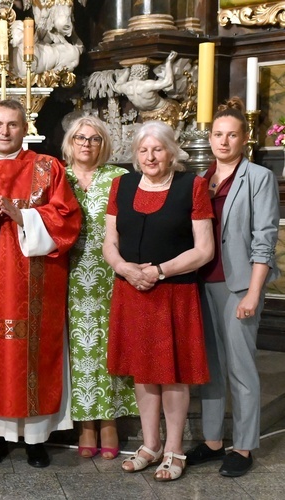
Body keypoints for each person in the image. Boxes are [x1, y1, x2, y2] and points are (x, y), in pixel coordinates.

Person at [0, 99, 82, 468]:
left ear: (25, 129)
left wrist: (23, 216)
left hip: (37, 284)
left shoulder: (47, 167)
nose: (5, 132)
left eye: (12, 125)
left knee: (34, 355)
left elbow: (66, 218)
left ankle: (36, 439)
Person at [104, 121, 214, 482]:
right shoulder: (122, 185)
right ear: (136, 155)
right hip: (131, 290)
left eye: (158, 149)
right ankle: (150, 446)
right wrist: (123, 268)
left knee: (173, 374)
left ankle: (174, 449)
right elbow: (110, 241)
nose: (150, 157)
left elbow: (204, 249)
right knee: (144, 371)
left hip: (173, 294)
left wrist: (160, 271)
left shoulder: (192, 186)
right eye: (143, 150)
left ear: (172, 152)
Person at [185, 98, 280, 477]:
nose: (223, 142)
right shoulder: (198, 180)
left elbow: (265, 239)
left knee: (241, 368)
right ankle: (212, 441)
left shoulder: (258, 178)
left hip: (239, 284)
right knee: (208, 366)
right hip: (200, 283)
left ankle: (242, 447)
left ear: (245, 138)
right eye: (218, 134)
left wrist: (254, 293)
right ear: (209, 138)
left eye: (232, 135)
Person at [62, 116, 137, 461]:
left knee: (108, 346)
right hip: (68, 272)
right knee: (78, 350)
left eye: (94, 139)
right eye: (80, 137)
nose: (87, 144)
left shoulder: (119, 179)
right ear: (70, 141)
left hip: (110, 273)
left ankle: (109, 421)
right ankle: (84, 424)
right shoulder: (56, 177)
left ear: (103, 144)